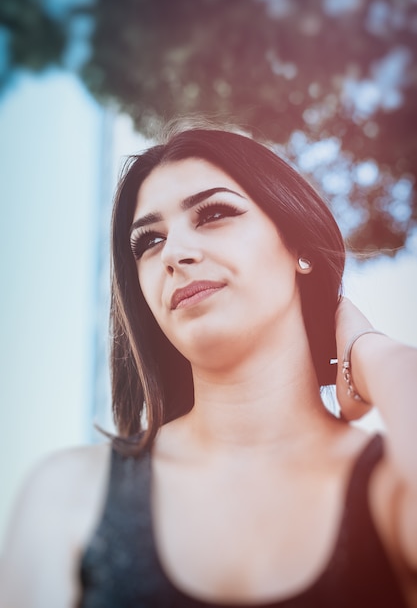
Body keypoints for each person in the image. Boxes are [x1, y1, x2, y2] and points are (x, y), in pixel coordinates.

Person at [1, 122, 416, 608]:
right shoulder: (69, 495)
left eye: (214, 213)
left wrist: (368, 350)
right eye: (148, 243)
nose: (174, 254)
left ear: (300, 247)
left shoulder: (390, 489)